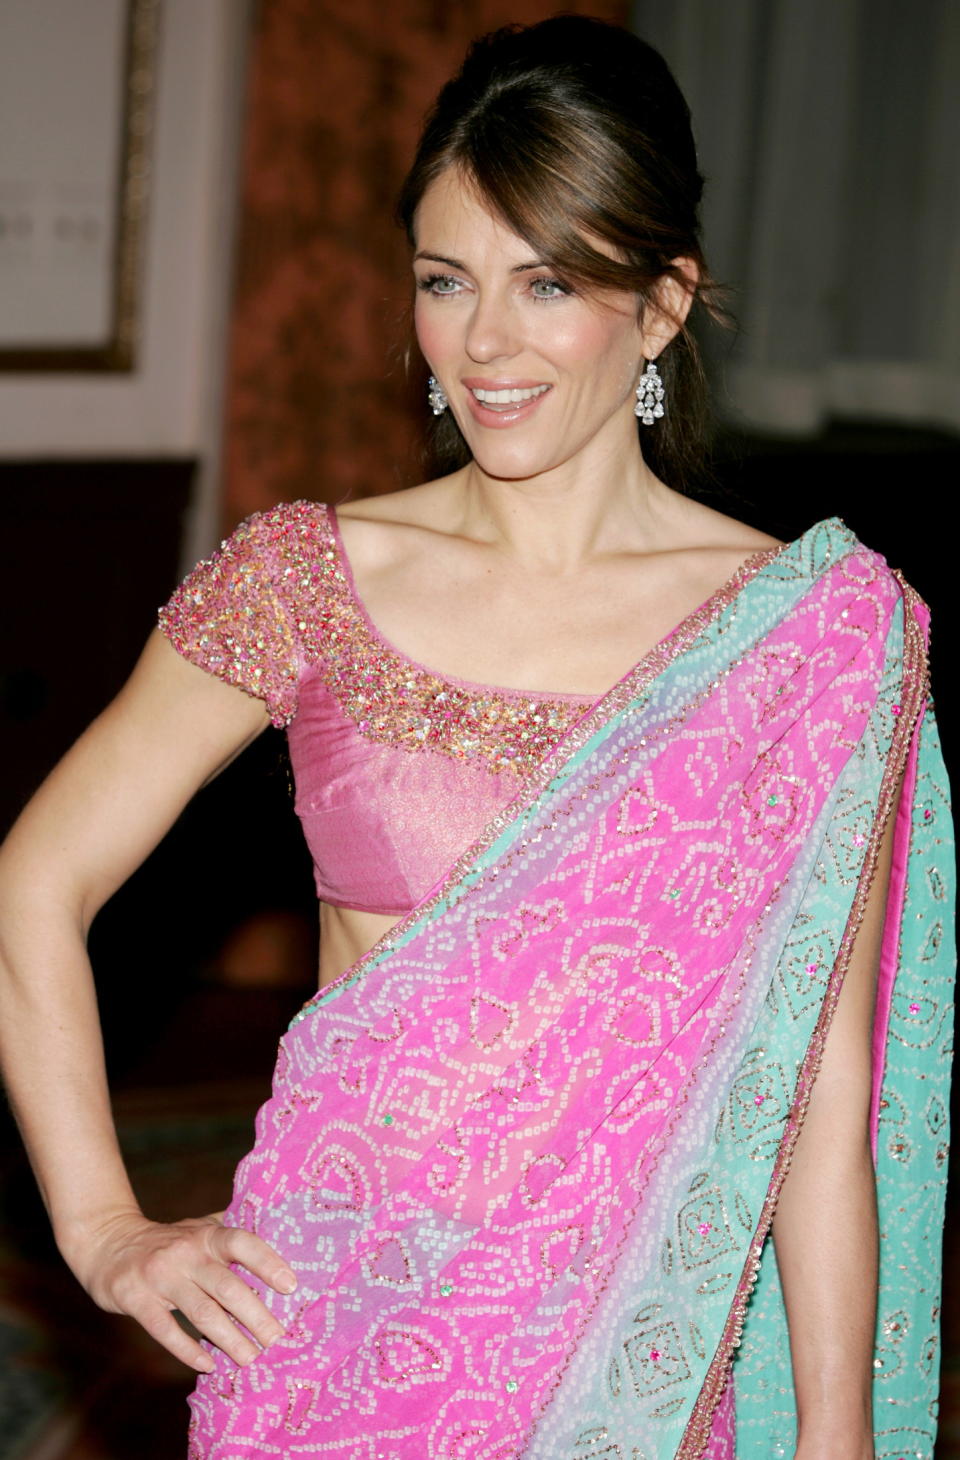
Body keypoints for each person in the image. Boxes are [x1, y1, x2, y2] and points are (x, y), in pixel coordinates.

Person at [0, 16, 952, 1460]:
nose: (486, 343)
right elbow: (35, 879)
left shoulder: (811, 637)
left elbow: (820, 1069)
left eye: (547, 282)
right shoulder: (307, 581)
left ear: (664, 301)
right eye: (447, 282)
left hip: (635, 1352)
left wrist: (836, 1435)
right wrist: (104, 1227)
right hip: (330, 1327)